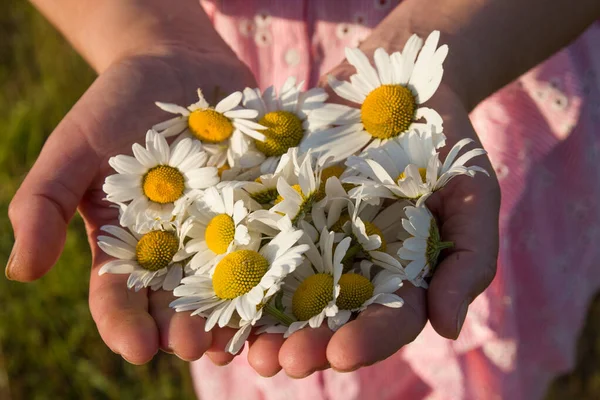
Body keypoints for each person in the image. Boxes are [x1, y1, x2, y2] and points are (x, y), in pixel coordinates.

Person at [6, 0, 599, 398]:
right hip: (243, 81)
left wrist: (456, 46)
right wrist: (145, 32)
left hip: (496, 44)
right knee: (269, 351)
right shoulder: (217, 203)